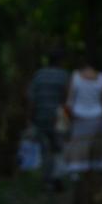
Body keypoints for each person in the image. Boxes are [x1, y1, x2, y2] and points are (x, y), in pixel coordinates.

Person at [64, 57, 102, 204]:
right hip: (98, 121)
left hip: (80, 122)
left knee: (78, 165)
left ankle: (80, 201)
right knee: (94, 165)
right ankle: (93, 199)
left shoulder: (76, 77)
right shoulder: (101, 77)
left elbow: (69, 102)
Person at [28, 47, 70, 192]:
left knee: (45, 151)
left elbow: (32, 99)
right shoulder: (63, 76)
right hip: (57, 118)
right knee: (58, 149)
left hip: (41, 117)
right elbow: (67, 98)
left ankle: (47, 180)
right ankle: (56, 178)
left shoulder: (39, 75)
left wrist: (32, 117)